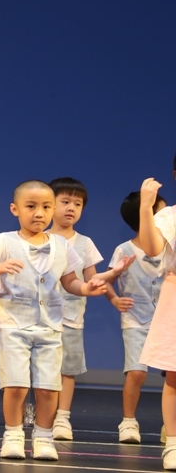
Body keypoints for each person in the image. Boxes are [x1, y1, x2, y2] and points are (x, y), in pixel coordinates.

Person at [0, 180, 131, 461]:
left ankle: (44, 436)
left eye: (46, 207)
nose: (39, 213)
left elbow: (71, 282)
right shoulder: (4, 241)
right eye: (31, 206)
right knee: (16, 385)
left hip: (50, 327)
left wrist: (88, 288)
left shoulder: (61, 245)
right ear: (15, 209)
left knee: (49, 387)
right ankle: (13, 434)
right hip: (13, 325)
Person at [104, 191, 167, 443]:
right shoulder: (124, 250)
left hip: (166, 320)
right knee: (137, 372)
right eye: (161, 212)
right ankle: (128, 421)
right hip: (135, 320)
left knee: (172, 375)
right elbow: (107, 279)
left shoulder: (169, 248)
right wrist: (114, 299)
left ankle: (170, 426)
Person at [46, 178, 104, 441]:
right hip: (39, 318)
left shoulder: (85, 243)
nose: (71, 208)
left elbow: (92, 278)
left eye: (77, 204)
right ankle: (40, 414)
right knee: (39, 369)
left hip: (70, 319)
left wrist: (111, 276)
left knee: (67, 370)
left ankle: (62, 417)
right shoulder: (39, 238)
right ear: (50, 205)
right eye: (65, 201)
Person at [138, 165, 176, 470]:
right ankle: (174, 444)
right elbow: (152, 248)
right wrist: (146, 207)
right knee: (175, 375)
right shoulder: (170, 216)